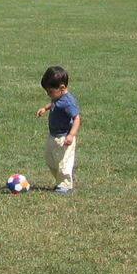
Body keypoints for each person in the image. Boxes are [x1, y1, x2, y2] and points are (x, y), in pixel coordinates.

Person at [35, 65, 81, 194]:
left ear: (62, 88)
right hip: (53, 135)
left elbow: (76, 118)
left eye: (50, 92)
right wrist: (45, 108)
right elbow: (54, 103)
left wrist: (71, 135)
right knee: (50, 159)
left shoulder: (68, 102)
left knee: (63, 162)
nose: (48, 94)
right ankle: (62, 181)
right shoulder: (57, 97)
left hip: (64, 137)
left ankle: (66, 185)